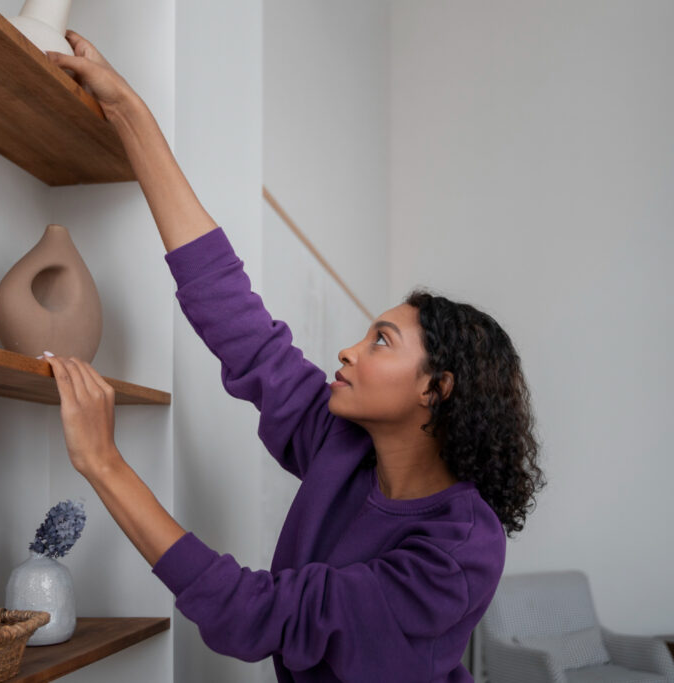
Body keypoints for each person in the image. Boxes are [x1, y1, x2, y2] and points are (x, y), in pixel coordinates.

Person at [38, 30, 546, 683]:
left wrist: (104, 464)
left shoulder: (463, 546)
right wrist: (131, 113)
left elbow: (255, 613)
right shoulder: (342, 446)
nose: (348, 350)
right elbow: (234, 316)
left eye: (381, 340)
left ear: (435, 388)